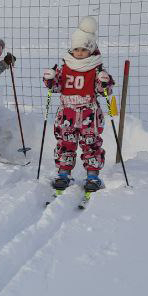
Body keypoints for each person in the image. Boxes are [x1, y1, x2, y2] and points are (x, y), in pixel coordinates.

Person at [42, 16, 114, 192]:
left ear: (90, 49)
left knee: (91, 143)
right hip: (67, 113)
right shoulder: (65, 66)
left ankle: (92, 175)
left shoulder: (96, 68)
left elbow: (103, 90)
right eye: (76, 49)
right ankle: (64, 172)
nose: (80, 53)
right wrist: (50, 79)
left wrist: (105, 82)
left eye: (84, 49)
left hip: (89, 114)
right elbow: (57, 86)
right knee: (66, 142)